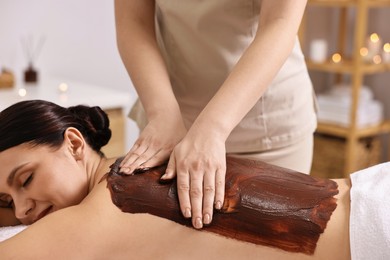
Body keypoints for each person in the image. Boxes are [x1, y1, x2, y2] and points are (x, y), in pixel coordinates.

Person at [0, 100, 388, 259]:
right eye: (6, 202)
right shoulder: (139, 165)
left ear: (73, 143)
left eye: (26, 179)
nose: (22, 209)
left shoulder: (99, 216)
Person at [114, 0, 317, 229]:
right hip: (167, 126)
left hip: (263, 128)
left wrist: (212, 129)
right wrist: (163, 115)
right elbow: (133, 21)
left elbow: (279, 22)